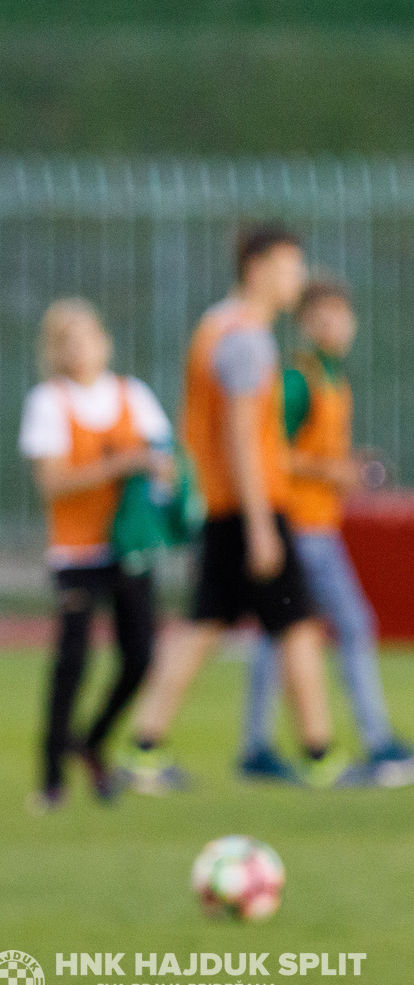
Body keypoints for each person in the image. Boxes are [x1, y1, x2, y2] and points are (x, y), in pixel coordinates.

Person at [124, 222, 342, 793]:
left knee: (204, 624)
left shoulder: (214, 325)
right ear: (259, 267)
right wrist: (263, 529)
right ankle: (321, 757)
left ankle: (146, 749)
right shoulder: (248, 338)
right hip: (253, 505)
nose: (298, 278)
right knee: (297, 626)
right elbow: (244, 439)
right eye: (291, 266)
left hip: (223, 505)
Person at [239, 278, 414, 787]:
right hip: (299, 526)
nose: (332, 324)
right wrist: (331, 472)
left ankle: (256, 746)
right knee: (350, 626)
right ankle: (377, 740)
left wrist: (347, 467)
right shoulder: (299, 378)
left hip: (320, 525)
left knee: (280, 634)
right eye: (321, 314)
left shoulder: (334, 379)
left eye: (340, 314)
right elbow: (272, 451)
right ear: (305, 322)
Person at [18, 298, 174, 810]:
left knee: (141, 657)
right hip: (78, 551)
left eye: (87, 336)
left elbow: (166, 464)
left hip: (129, 548)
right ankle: (51, 777)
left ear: (104, 341)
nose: (80, 349)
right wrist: (123, 463)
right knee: (73, 662)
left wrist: (163, 479)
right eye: (68, 340)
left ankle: (93, 741)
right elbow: (52, 482)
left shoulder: (134, 395)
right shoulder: (49, 402)